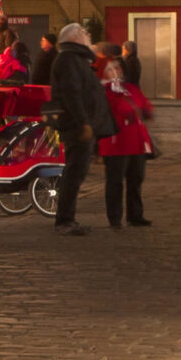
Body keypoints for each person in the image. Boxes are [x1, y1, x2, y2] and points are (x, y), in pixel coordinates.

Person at [49, 22, 114, 236]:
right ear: (74, 37)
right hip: (76, 126)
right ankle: (64, 220)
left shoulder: (76, 59)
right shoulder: (68, 59)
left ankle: (68, 219)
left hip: (82, 124)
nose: (88, 35)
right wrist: (83, 122)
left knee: (77, 172)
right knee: (73, 173)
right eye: (84, 32)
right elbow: (72, 93)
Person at [97, 57, 155, 228]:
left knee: (136, 179)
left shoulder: (129, 88)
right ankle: (115, 217)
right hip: (115, 142)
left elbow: (144, 104)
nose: (115, 71)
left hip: (136, 141)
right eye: (110, 69)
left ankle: (135, 214)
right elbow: (115, 108)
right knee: (115, 181)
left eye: (117, 68)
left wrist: (145, 109)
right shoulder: (103, 91)